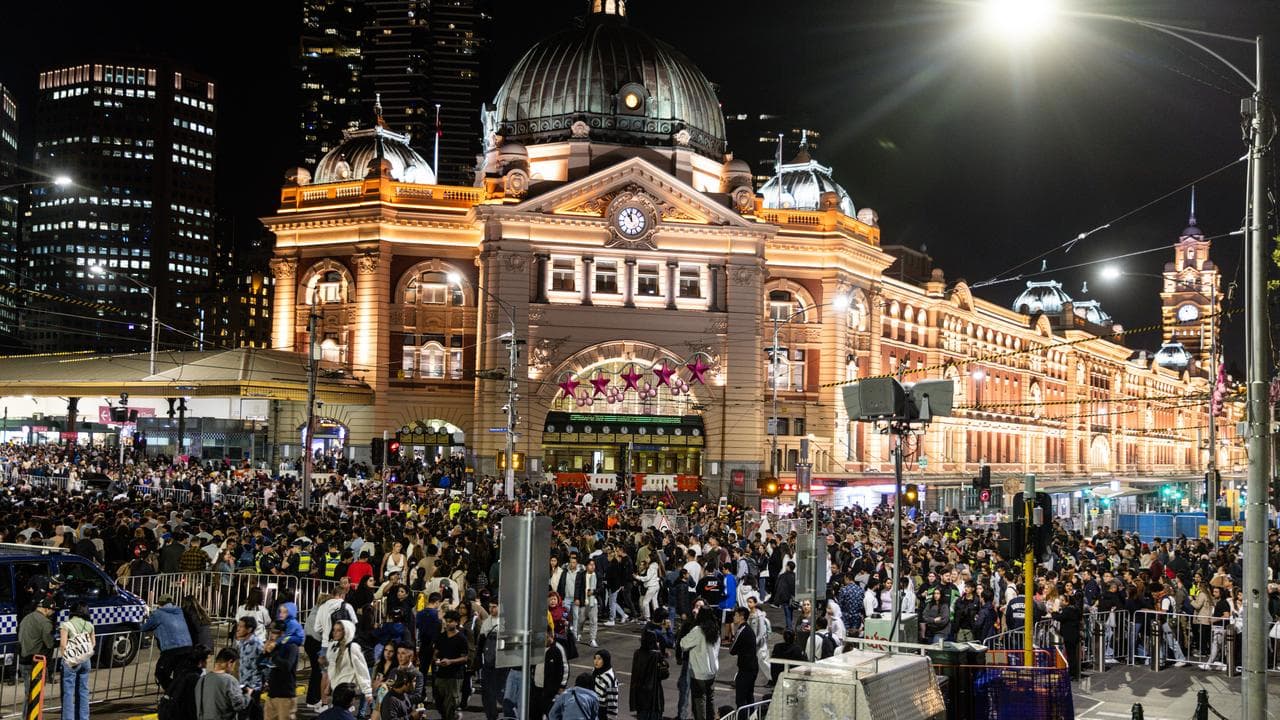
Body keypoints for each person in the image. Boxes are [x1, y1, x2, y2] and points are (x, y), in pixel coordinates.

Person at [142, 594, 194, 692]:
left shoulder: (158, 613)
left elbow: (144, 628)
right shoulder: (180, 611)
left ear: (159, 604)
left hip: (171, 649)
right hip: (187, 647)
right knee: (179, 676)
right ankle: (179, 696)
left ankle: (173, 694)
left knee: (161, 673)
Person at [678, 607, 720, 720]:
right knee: (710, 698)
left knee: (699, 700)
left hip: (699, 672)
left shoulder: (698, 630)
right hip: (712, 671)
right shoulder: (716, 629)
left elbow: (683, 644)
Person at [328, 620, 374, 720]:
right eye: (334, 630)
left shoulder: (353, 648)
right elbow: (331, 669)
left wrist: (368, 692)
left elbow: (362, 670)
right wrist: (328, 685)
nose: (334, 632)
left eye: (339, 630)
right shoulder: (333, 646)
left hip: (347, 691)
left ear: (346, 632)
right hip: (336, 691)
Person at [58, 602, 95, 720]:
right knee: (83, 690)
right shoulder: (89, 625)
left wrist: (66, 657)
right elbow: (93, 643)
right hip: (85, 661)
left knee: (68, 692)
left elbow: (63, 645)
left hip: (71, 661)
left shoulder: (66, 625)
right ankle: (83, 717)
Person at [195, 647, 251, 720]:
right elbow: (239, 705)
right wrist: (247, 694)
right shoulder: (229, 680)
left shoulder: (202, 679)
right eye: (235, 664)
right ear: (230, 662)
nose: (234, 668)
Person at [433, 610, 469, 720]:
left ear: (457, 622)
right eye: (447, 621)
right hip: (441, 674)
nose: (448, 624)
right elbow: (435, 653)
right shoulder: (441, 636)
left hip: (455, 676)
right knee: (438, 702)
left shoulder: (461, 638)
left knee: (451, 704)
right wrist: (436, 660)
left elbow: (465, 658)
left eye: (451, 621)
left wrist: (450, 661)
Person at [264, 620, 301, 720]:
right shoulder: (274, 646)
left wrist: (272, 654)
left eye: (275, 632)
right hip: (272, 693)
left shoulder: (291, 647)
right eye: (270, 631)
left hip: (285, 694)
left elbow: (287, 666)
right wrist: (265, 653)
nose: (271, 635)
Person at [630, 628, 666, 720]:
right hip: (654, 695)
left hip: (640, 694)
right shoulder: (656, 655)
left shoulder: (637, 653)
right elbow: (664, 674)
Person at [728, 607, 757, 718]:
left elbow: (732, 650)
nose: (734, 617)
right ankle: (752, 717)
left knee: (741, 699)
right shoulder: (749, 629)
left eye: (735, 615)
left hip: (746, 669)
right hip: (752, 667)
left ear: (741, 617)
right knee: (749, 697)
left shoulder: (741, 630)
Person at [236, 617, 266, 720]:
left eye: (241, 626)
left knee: (249, 713)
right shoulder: (241, 643)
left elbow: (265, 665)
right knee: (251, 712)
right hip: (242, 683)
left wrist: (265, 682)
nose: (238, 629)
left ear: (249, 629)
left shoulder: (258, 644)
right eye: (238, 626)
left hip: (254, 686)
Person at [591, 649, 619, 720]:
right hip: (592, 707)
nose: (596, 661)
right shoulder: (595, 671)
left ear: (605, 660)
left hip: (602, 711)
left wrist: (611, 717)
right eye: (595, 658)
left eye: (599, 659)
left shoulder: (609, 678)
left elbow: (612, 700)